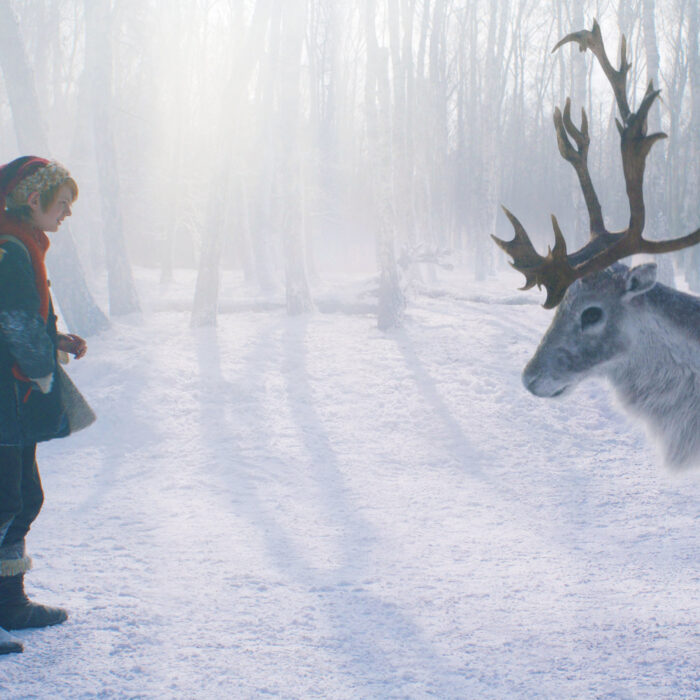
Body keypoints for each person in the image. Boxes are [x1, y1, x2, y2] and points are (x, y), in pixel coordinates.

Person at [0, 156, 95, 655]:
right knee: (3, 499)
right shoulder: (10, 248)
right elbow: (14, 326)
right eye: (61, 205)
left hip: (11, 396)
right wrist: (41, 364)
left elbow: (16, 319)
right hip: (4, 395)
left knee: (22, 497)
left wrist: (53, 340)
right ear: (33, 199)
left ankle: (9, 602)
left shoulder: (21, 242)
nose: (66, 215)